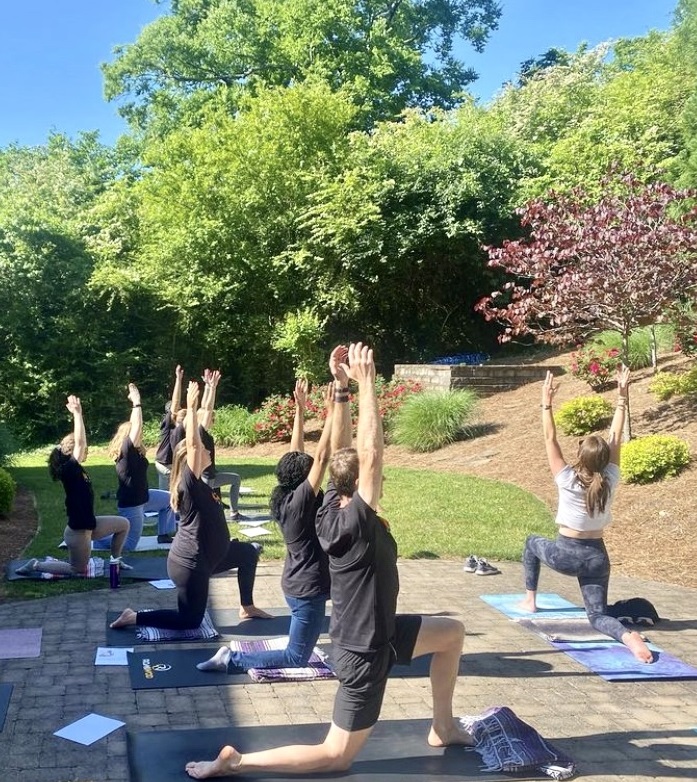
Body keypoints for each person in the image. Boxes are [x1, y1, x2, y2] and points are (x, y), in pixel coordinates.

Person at [185, 343, 471, 780]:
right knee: (336, 755)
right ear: (360, 487)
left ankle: (443, 726)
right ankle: (236, 762)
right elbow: (370, 456)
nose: (380, 479)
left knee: (451, 633)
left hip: (382, 630)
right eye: (373, 480)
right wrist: (368, 383)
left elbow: (339, 454)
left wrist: (340, 390)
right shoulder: (356, 517)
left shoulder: (324, 507)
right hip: (363, 650)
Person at [197, 373, 335, 673]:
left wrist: (300, 409)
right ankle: (232, 659)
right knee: (295, 658)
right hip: (307, 588)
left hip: (301, 582)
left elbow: (296, 453)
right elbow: (322, 457)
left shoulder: (288, 494)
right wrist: (333, 411)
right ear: (303, 478)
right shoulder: (300, 503)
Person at [110, 380, 271, 633]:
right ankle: (134, 617)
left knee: (248, 553)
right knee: (189, 621)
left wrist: (209, 394)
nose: (208, 451)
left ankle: (247, 606)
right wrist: (192, 407)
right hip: (190, 565)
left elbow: (200, 437)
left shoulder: (202, 483)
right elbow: (195, 444)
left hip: (211, 557)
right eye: (202, 450)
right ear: (191, 460)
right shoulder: (189, 483)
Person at [519, 368, 654, 664]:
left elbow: (549, 436)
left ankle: (530, 600)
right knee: (596, 616)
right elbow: (617, 436)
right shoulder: (611, 477)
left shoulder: (567, 478)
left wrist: (546, 402)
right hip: (597, 559)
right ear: (604, 460)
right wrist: (622, 396)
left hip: (565, 555)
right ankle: (628, 636)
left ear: (580, 457)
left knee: (531, 543)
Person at [16, 395, 130, 578]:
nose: (86, 450)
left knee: (123, 524)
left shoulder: (77, 470)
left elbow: (80, 444)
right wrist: (78, 414)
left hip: (89, 524)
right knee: (77, 570)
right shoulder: (69, 469)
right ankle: (35, 565)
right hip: (78, 531)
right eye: (84, 449)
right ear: (73, 452)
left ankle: (116, 560)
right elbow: (81, 442)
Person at [97, 383, 177, 550]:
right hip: (132, 503)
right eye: (138, 433)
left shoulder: (135, 453)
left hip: (144, 497)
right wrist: (137, 402)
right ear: (128, 437)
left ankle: (164, 534)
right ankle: (96, 537)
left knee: (170, 500)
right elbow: (137, 425)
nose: (141, 434)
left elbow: (136, 426)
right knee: (129, 545)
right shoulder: (126, 452)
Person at [198, 369, 244, 521]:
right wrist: (213, 387)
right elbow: (208, 409)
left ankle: (234, 512)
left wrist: (207, 386)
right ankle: (232, 513)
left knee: (235, 479)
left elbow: (205, 407)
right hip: (206, 478)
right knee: (207, 512)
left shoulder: (199, 432)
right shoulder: (200, 432)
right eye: (211, 418)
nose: (213, 419)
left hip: (210, 475)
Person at [154, 364, 184, 491]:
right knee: (168, 496)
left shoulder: (180, 426)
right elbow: (175, 403)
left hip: (170, 464)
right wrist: (178, 379)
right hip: (165, 465)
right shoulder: (168, 423)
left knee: (170, 496)